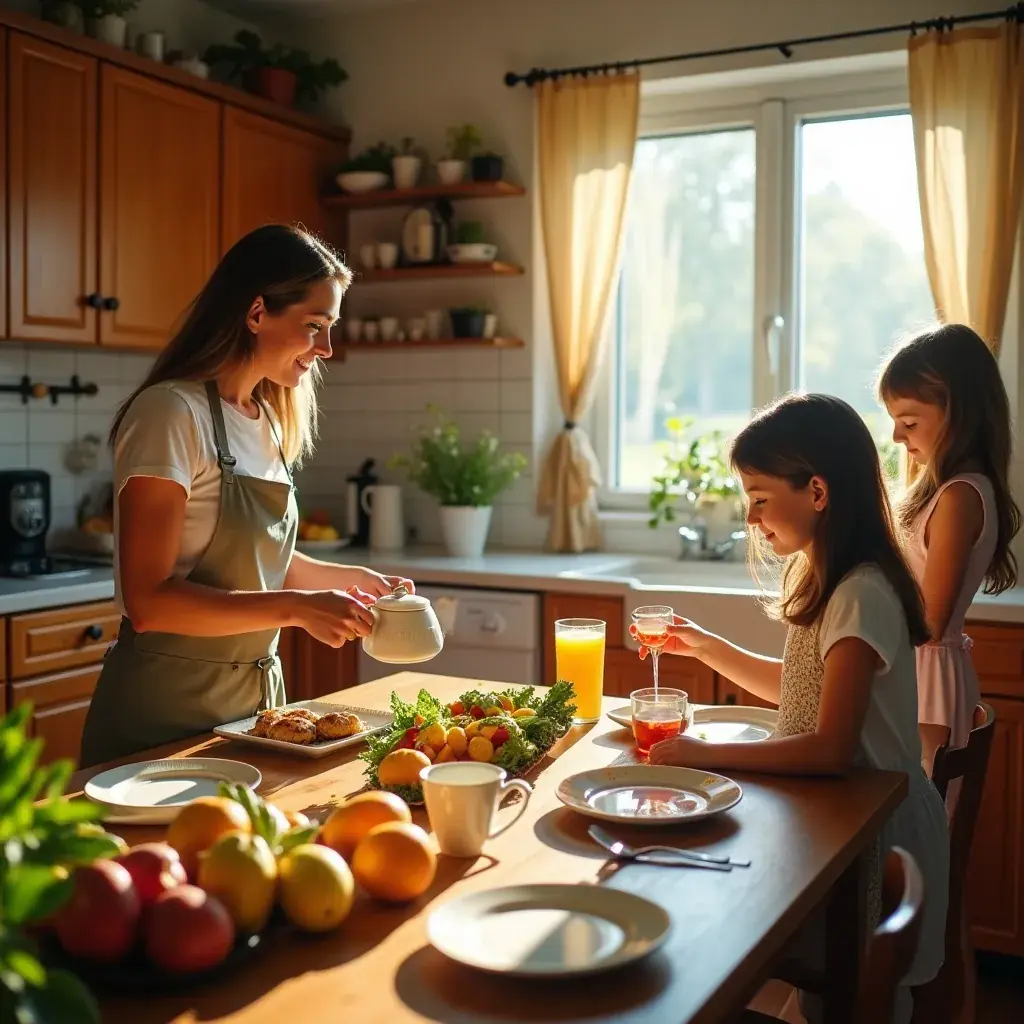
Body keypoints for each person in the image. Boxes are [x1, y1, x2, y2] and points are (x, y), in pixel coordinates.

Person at [636, 394, 948, 1022]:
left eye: (758, 498)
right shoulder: (828, 575)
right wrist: (705, 646)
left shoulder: (860, 591)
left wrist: (708, 755)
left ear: (817, 492)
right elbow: (804, 689)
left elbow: (831, 749)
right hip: (849, 812)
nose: (751, 520)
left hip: (874, 831)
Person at [80, 225, 412, 767]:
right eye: (314, 326)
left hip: (252, 716)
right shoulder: (170, 413)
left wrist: (351, 584)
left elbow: (261, 563)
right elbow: (148, 602)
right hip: (160, 719)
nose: (325, 349)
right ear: (256, 312)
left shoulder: (267, 422)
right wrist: (299, 610)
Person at [879, 323, 1020, 786]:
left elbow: (931, 621)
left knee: (914, 831)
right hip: (924, 674)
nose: (898, 437)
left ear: (958, 413)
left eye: (910, 421)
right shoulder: (944, 491)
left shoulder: (959, 498)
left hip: (927, 684)